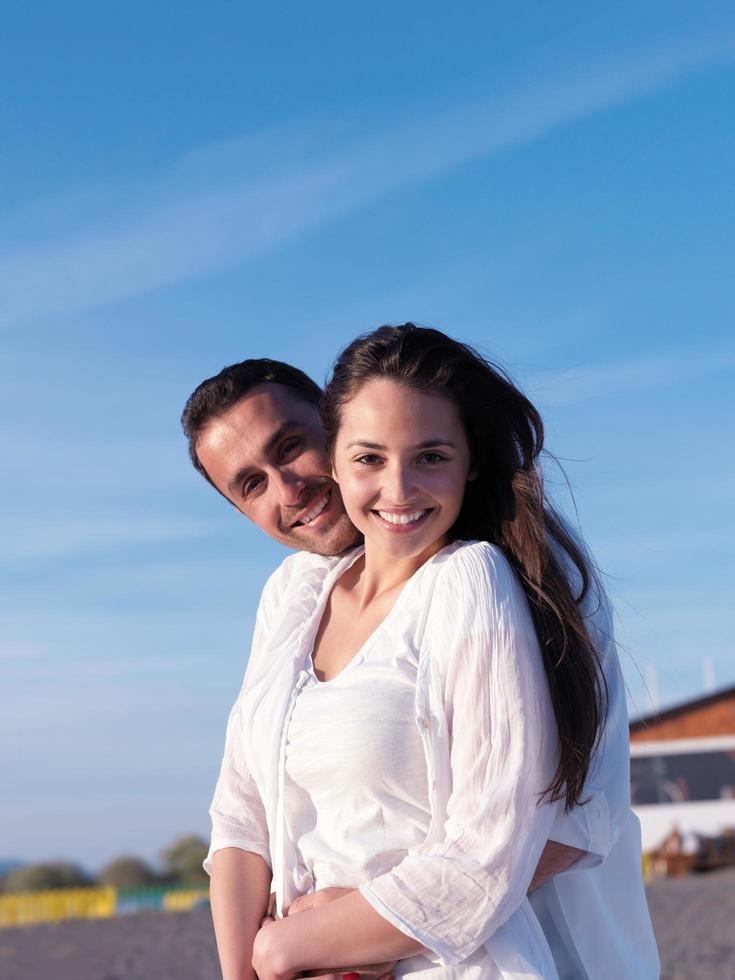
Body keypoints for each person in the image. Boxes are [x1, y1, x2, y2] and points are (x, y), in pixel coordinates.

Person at [181, 328, 659, 979]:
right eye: (250, 484)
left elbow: (567, 822)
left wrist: (360, 932)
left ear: (336, 421)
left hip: (543, 954)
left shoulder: (516, 571)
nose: (287, 488)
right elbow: (243, 813)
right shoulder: (293, 594)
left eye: (290, 446)